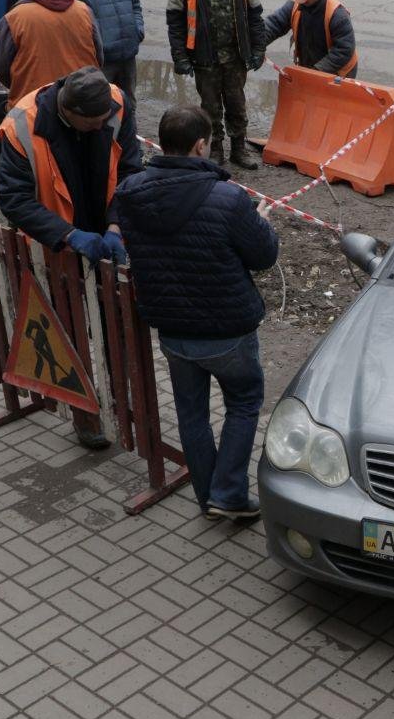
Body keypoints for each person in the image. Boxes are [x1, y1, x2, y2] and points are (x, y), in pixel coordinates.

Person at [110, 105, 278, 520]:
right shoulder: (229, 197)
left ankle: (210, 496)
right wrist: (260, 221)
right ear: (201, 145)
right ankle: (229, 494)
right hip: (228, 330)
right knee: (242, 403)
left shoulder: (130, 193)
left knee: (192, 413)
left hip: (172, 328)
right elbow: (263, 256)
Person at [0, 66, 142, 450]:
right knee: (70, 330)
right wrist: (68, 235)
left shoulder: (115, 106)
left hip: (106, 240)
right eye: (91, 123)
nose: (100, 127)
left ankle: (119, 401)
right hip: (57, 249)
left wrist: (116, 226)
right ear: (68, 112)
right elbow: (13, 199)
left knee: (116, 325)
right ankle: (85, 414)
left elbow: (130, 173)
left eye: (103, 121)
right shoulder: (22, 127)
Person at [166, 0, 266, 170]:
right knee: (210, 110)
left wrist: (258, 49)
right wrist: (180, 57)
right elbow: (175, 21)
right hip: (204, 58)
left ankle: (239, 150)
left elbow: (255, 15)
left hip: (235, 57)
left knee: (237, 105)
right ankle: (216, 151)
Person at [0, 0, 102, 111]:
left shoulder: (14, 18)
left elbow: (0, 66)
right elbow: (98, 57)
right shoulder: (84, 11)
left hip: (32, 107)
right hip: (80, 106)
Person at [264, 0, 358, 78]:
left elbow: (344, 50)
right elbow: (275, 23)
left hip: (339, 72)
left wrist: (316, 70)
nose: (302, 1)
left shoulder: (337, 15)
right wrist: (257, 44)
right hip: (311, 66)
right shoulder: (296, 3)